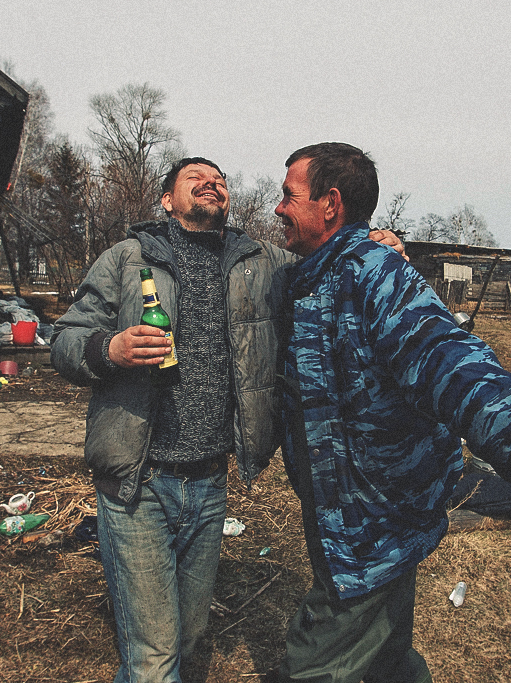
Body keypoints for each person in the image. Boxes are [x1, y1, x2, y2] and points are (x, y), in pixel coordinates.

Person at [50, 156, 404, 683]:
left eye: (219, 179)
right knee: (153, 657)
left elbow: (324, 264)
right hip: (138, 480)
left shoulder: (260, 262)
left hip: (210, 482)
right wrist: (111, 347)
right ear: (167, 200)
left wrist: (371, 243)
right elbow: (63, 340)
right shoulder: (127, 259)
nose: (211, 182)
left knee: (189, 637)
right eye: (195, 177)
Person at [268, 142, 511, 683]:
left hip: (374, 516)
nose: (279, 208)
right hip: (339, 506)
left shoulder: (376, 274)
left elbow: (446, 358)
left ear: (330, 204)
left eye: (288, 196)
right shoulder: (308, 279)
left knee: (317, 663)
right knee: (387, 656)